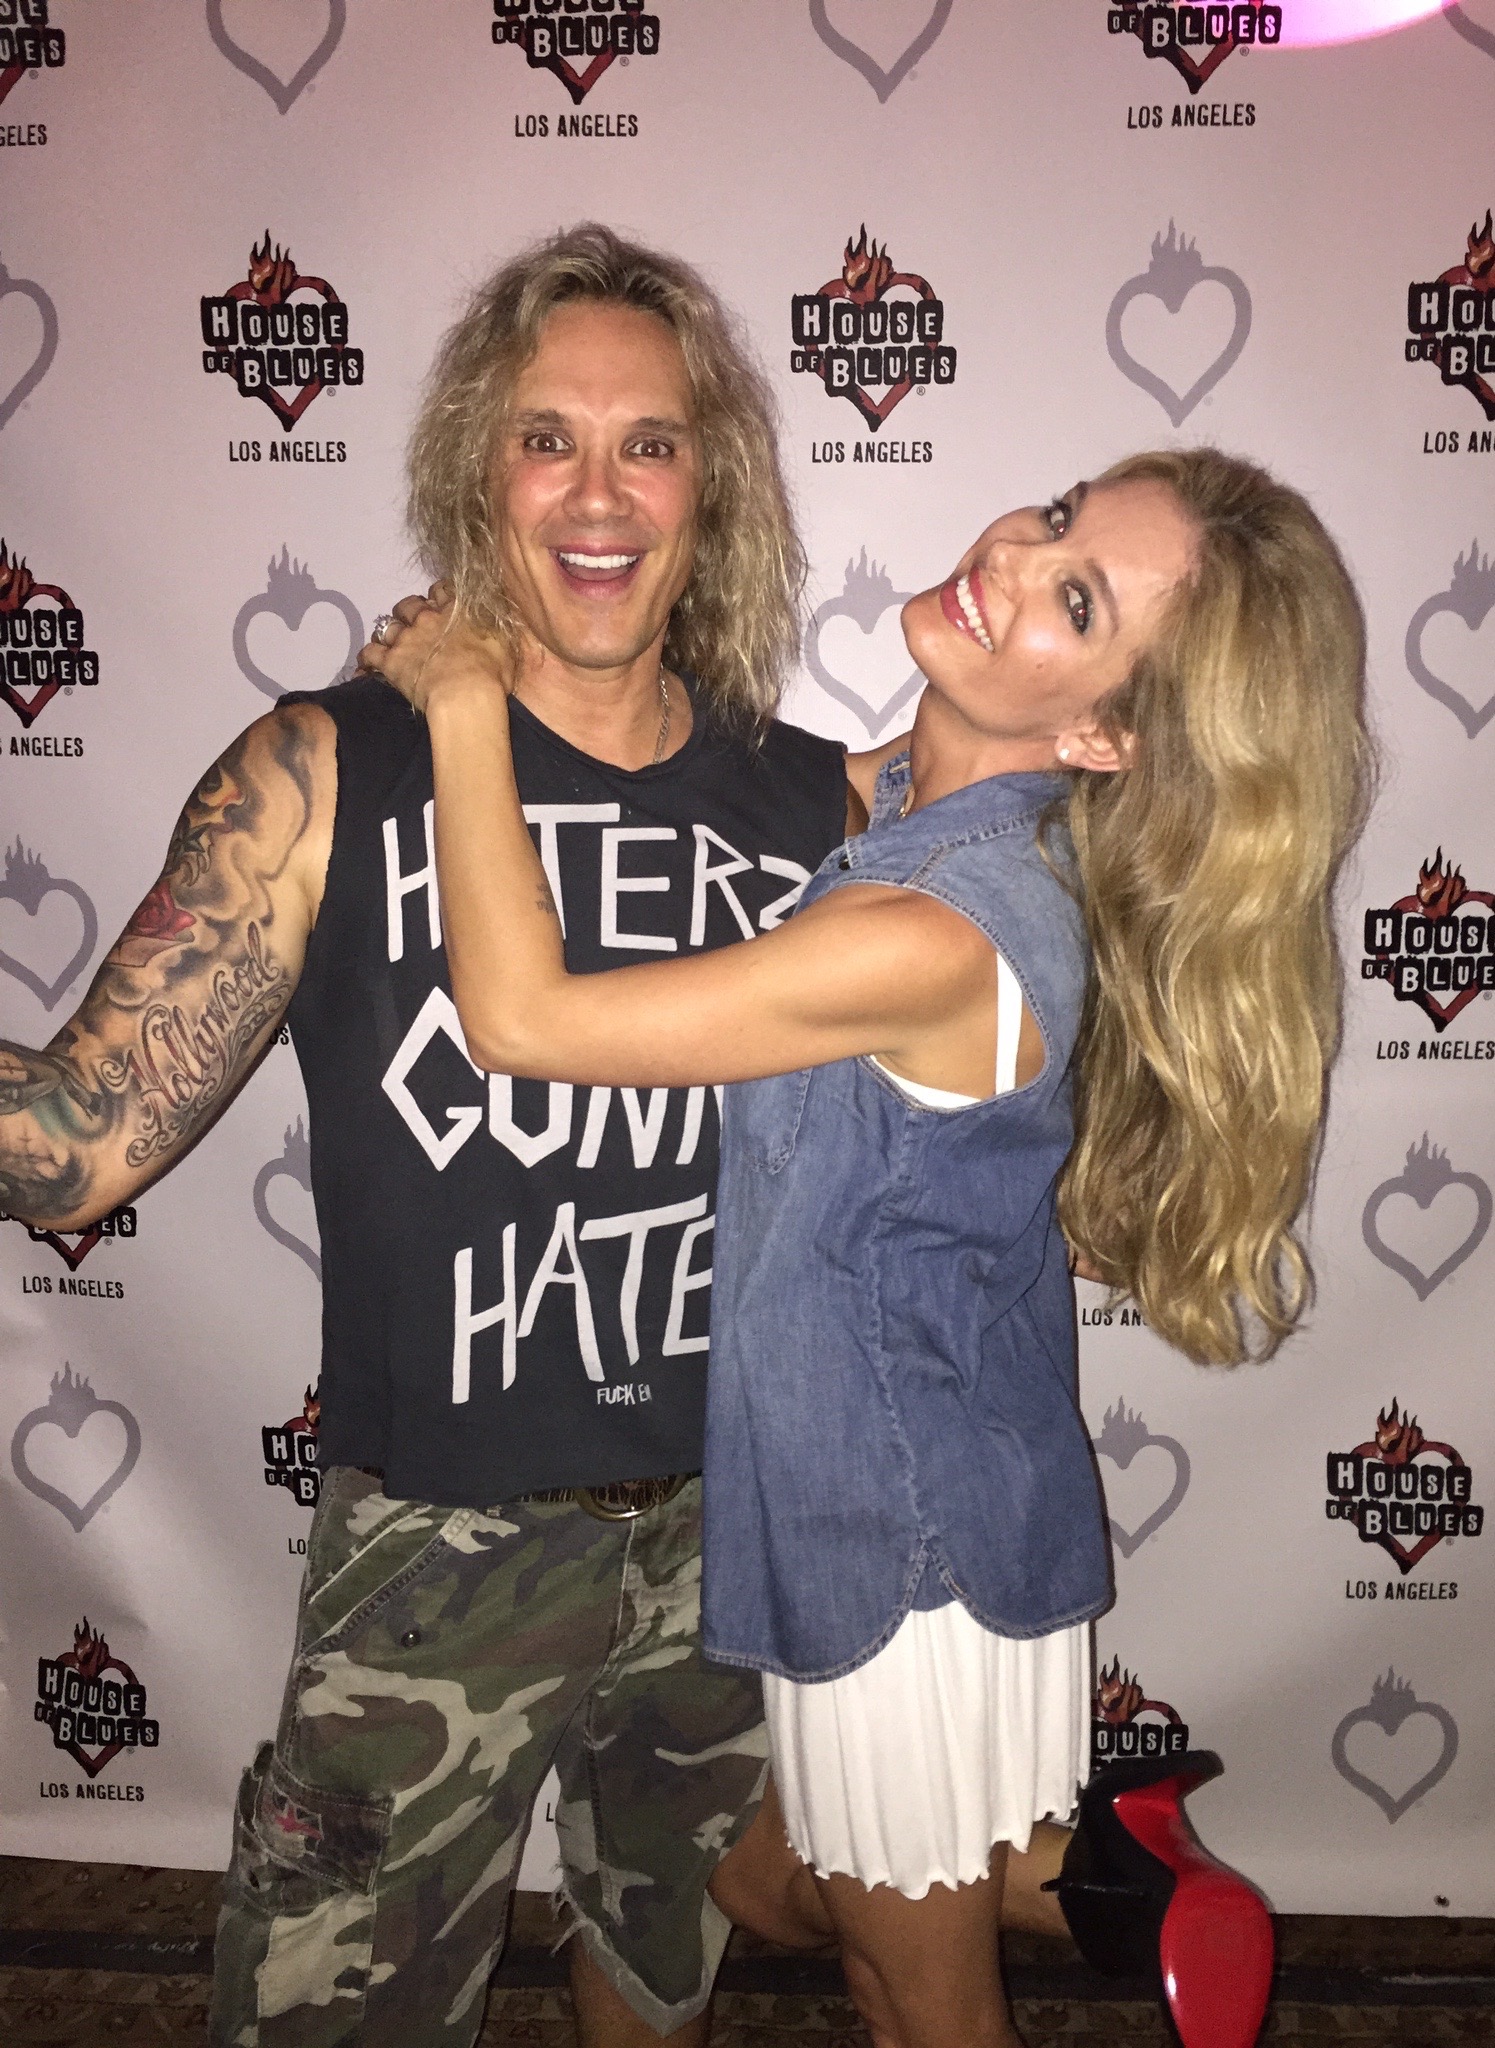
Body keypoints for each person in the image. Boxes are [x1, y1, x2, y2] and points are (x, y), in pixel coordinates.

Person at [363, 444, 1371, 2048]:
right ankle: (1106, 1874)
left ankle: (1094, 1874)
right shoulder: (944, 810)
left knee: (910, 2000)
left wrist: (466, 703)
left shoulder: (929, 932)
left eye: (1078, 599)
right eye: (1053, 526)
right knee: (770, 1881)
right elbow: (844, 790)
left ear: (1104, 732)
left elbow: (526, 1018)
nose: (1012, 562)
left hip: (896, 1554)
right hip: (935, 1505)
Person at [1, 224, 860, 2047]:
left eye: (651, 440)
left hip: (739, 1538)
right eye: (549, 438)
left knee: (660, 1969)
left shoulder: (813, 800)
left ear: (715, 480)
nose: (600, 492)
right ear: (481, 471)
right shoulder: (332, 768)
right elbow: (75, 1149)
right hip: (439, 1567)